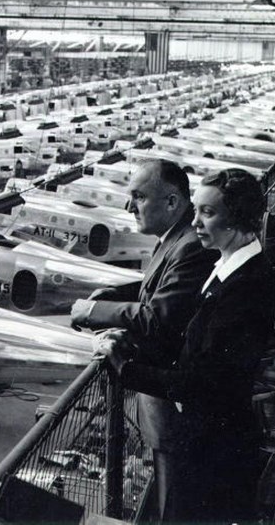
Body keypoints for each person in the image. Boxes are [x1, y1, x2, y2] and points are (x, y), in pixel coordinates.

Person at [96, 168, 275, 523]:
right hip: (209, 440)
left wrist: (125, 367)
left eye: (207, 213)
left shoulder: (246, 287)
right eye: (195, 210)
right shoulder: (229, 267)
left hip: (215, 450)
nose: (194, 223)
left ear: (238, 218)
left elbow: (203, 382)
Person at [70, 159, 218, 522]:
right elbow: (155, 287)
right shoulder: (177, 238)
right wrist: (111, 295)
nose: (129, 206)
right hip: (167, 406)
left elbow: (159, 317)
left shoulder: (189, 246)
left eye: (138, 196)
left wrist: (92, 312)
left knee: (173, 506)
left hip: (171, 408)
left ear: (171, 202)